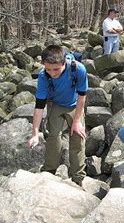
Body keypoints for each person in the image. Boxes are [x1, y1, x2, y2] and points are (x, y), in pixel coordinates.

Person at [27, 45, 88, 186]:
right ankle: (49, 172)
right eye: (48, 69)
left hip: (74, 105)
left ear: (63, 63)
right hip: (56, 104)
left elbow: (82, 96)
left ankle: (78, 178)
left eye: (56, 69)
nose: (52, 73)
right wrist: (35, 133)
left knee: (78, 138)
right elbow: (39, 106)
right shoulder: (43, 76)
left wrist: (77, 121)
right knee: (54, 136)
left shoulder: (78, 69)